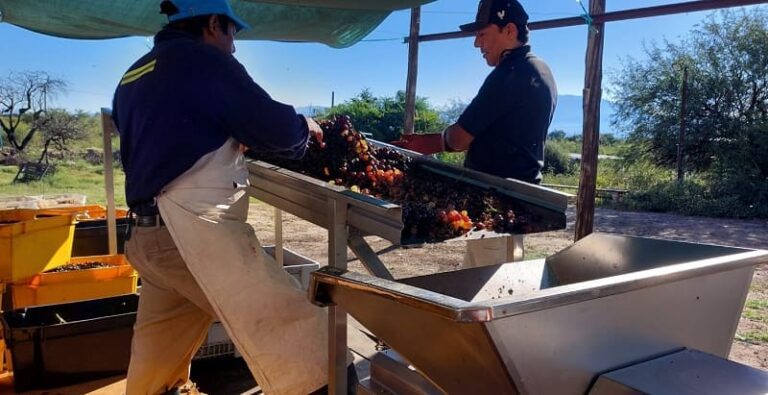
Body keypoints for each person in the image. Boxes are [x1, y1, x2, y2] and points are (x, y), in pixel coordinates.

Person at [112, 1, 353, 393]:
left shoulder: (134, 74)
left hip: (147, 239)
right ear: (212, 24)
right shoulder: (205, 61)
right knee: (308, 343)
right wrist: (303, 127)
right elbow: (274, 128)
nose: (234, 47)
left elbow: (168, 139)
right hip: (191, 235)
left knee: (156, 364)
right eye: (232, 34)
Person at [445, 0, 557, 268]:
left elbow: (459, 138)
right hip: (513, 205)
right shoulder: (540, 70)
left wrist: (438, 139)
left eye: (482, 34)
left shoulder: (510, 73)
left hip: (495, 206)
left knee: (489, 296)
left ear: (509, 30)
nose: (476, 44)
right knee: (478, 286)